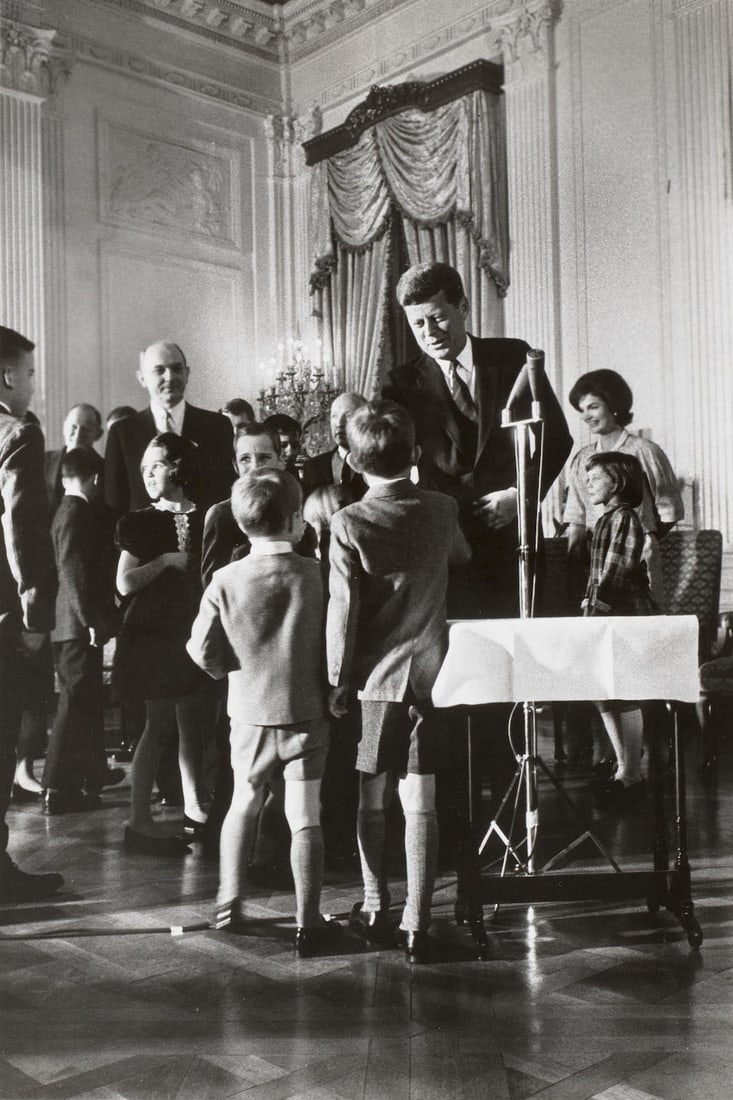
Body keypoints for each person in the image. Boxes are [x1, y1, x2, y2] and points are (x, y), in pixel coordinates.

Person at [327, 401, 470, 964]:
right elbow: (461, 554)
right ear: (414, 455)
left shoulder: (348, 521)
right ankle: (418, 921)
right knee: (422, 801)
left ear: (349, 461)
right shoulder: (442, 507)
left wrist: (337, 678)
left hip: (374, 682)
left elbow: (343, 609)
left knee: (372, 796)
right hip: (434, 675)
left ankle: (374, 905)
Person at [187, 468, 342, 957]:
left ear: (239, 521)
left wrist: (227, 674)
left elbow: (201, 649)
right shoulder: (318, 576)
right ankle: (308, 918)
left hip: (249, 712)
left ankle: (230, 902)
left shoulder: (224, 579)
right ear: (298, 522)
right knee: (304, 815)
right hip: (307, 713)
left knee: (243, 801)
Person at [383, 261, 573, 619]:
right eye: (417, 324)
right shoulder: (400, 384)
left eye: (437, 318)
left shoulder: (513, 357)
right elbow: (395, 467)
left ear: (464, 307)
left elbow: (557, 439)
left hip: (515, 540)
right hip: (447, 546)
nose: (429, 332)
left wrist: (521, 495)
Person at [113, 433, 208, 854]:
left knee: (191, 723)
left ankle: (194, 807)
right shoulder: (141, 521)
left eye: (156, 465)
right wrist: (166, 562)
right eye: (144, 468)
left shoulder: (206, 515)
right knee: (158, 725)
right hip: (153, 637)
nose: (149, 474)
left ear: (178, 467)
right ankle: (138, 820)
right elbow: (124, 582)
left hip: (190, 633)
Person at [0, 325, 62, 905]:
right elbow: (21, 528)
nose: (34, 386)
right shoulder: (17, 434)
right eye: (32, 374)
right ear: (8, 376)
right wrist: (37, 612)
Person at [42, 447, 120, 814]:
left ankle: (85, 780)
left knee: (83, 702)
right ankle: (56, 787)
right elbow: (75, 574)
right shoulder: (77, 513)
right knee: (73, 704)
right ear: (95, 479)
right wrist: (91, 621)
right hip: (76, 625)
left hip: (69, 625)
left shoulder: (64, 511)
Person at [564, 369, 683, 607]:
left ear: (613, 405)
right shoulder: (581, 458)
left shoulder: (645, 451)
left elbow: (670, 510)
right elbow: (576, 516)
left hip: (637, 559)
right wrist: (575, 561)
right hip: (593, 559)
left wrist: (634, 539)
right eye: (582, 409)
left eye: (593, 407)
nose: (586, 415)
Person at [582, 452, 658, 803]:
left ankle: (631, 773)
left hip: (624, 613)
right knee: (603, 691)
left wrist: (598, 606)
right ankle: (625, 766)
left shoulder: (625, 517)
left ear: (618, 481)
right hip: (606, 611)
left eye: (596, 478)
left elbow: (616, 570)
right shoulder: (604, 520)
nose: (589, 484)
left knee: (623, 689)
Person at [104, 340, 234, 515]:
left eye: (177, 369)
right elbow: (114, 502)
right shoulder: (122, 433)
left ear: (187, 374)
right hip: (144, 539)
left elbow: (225, 493)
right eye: (159, 370)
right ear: (142, 378)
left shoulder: (218, 426)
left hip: (204, 537)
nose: (170, 377)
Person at [201, 422, 282, 588]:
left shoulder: (292, 508)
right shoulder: (221, 515)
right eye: (245, 459)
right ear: (235, 466)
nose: (255, 467)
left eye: (264, 458)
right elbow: (211, 585)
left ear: (280, 461)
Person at [301, 393, 367, 500]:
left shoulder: (374, 464)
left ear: (365, 420)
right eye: (334, 416)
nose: (339, 423)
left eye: (348, 416)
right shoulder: (313, 467)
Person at [45, 404, 105, 515]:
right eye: (73, 427)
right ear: (64, 427)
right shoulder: (44, 461)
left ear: (98, 434)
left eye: (86, 429)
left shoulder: (104, 469)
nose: (78, 434)